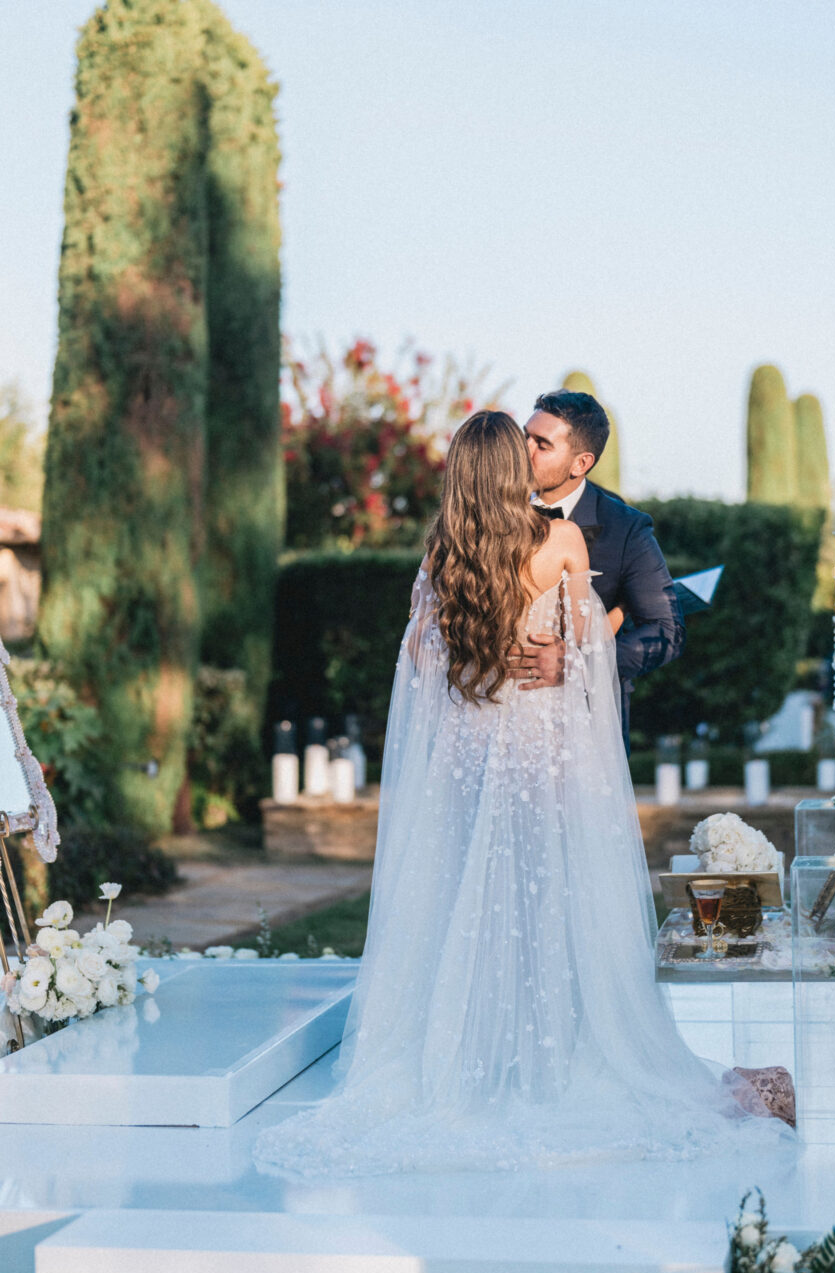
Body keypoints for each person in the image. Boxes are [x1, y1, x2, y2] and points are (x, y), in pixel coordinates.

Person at [254, 412, 791, 1178]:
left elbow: (418, 663)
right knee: (552, 903)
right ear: (511, 468)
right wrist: (563, 653)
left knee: (469, 902)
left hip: (468, 753)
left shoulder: (442, 554)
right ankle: (555, 1053)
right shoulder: (562, 543)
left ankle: (478, 1055)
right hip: (542, 755)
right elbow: (587, 661)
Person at [511, 389, 684, 749]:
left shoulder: (625, 528)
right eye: (524, 436)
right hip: (496, 719)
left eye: (542, 445)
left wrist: (578, 663)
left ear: (580, 463)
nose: (524, 451)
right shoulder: (491, 505)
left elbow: (666, 632)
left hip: (585, 730)